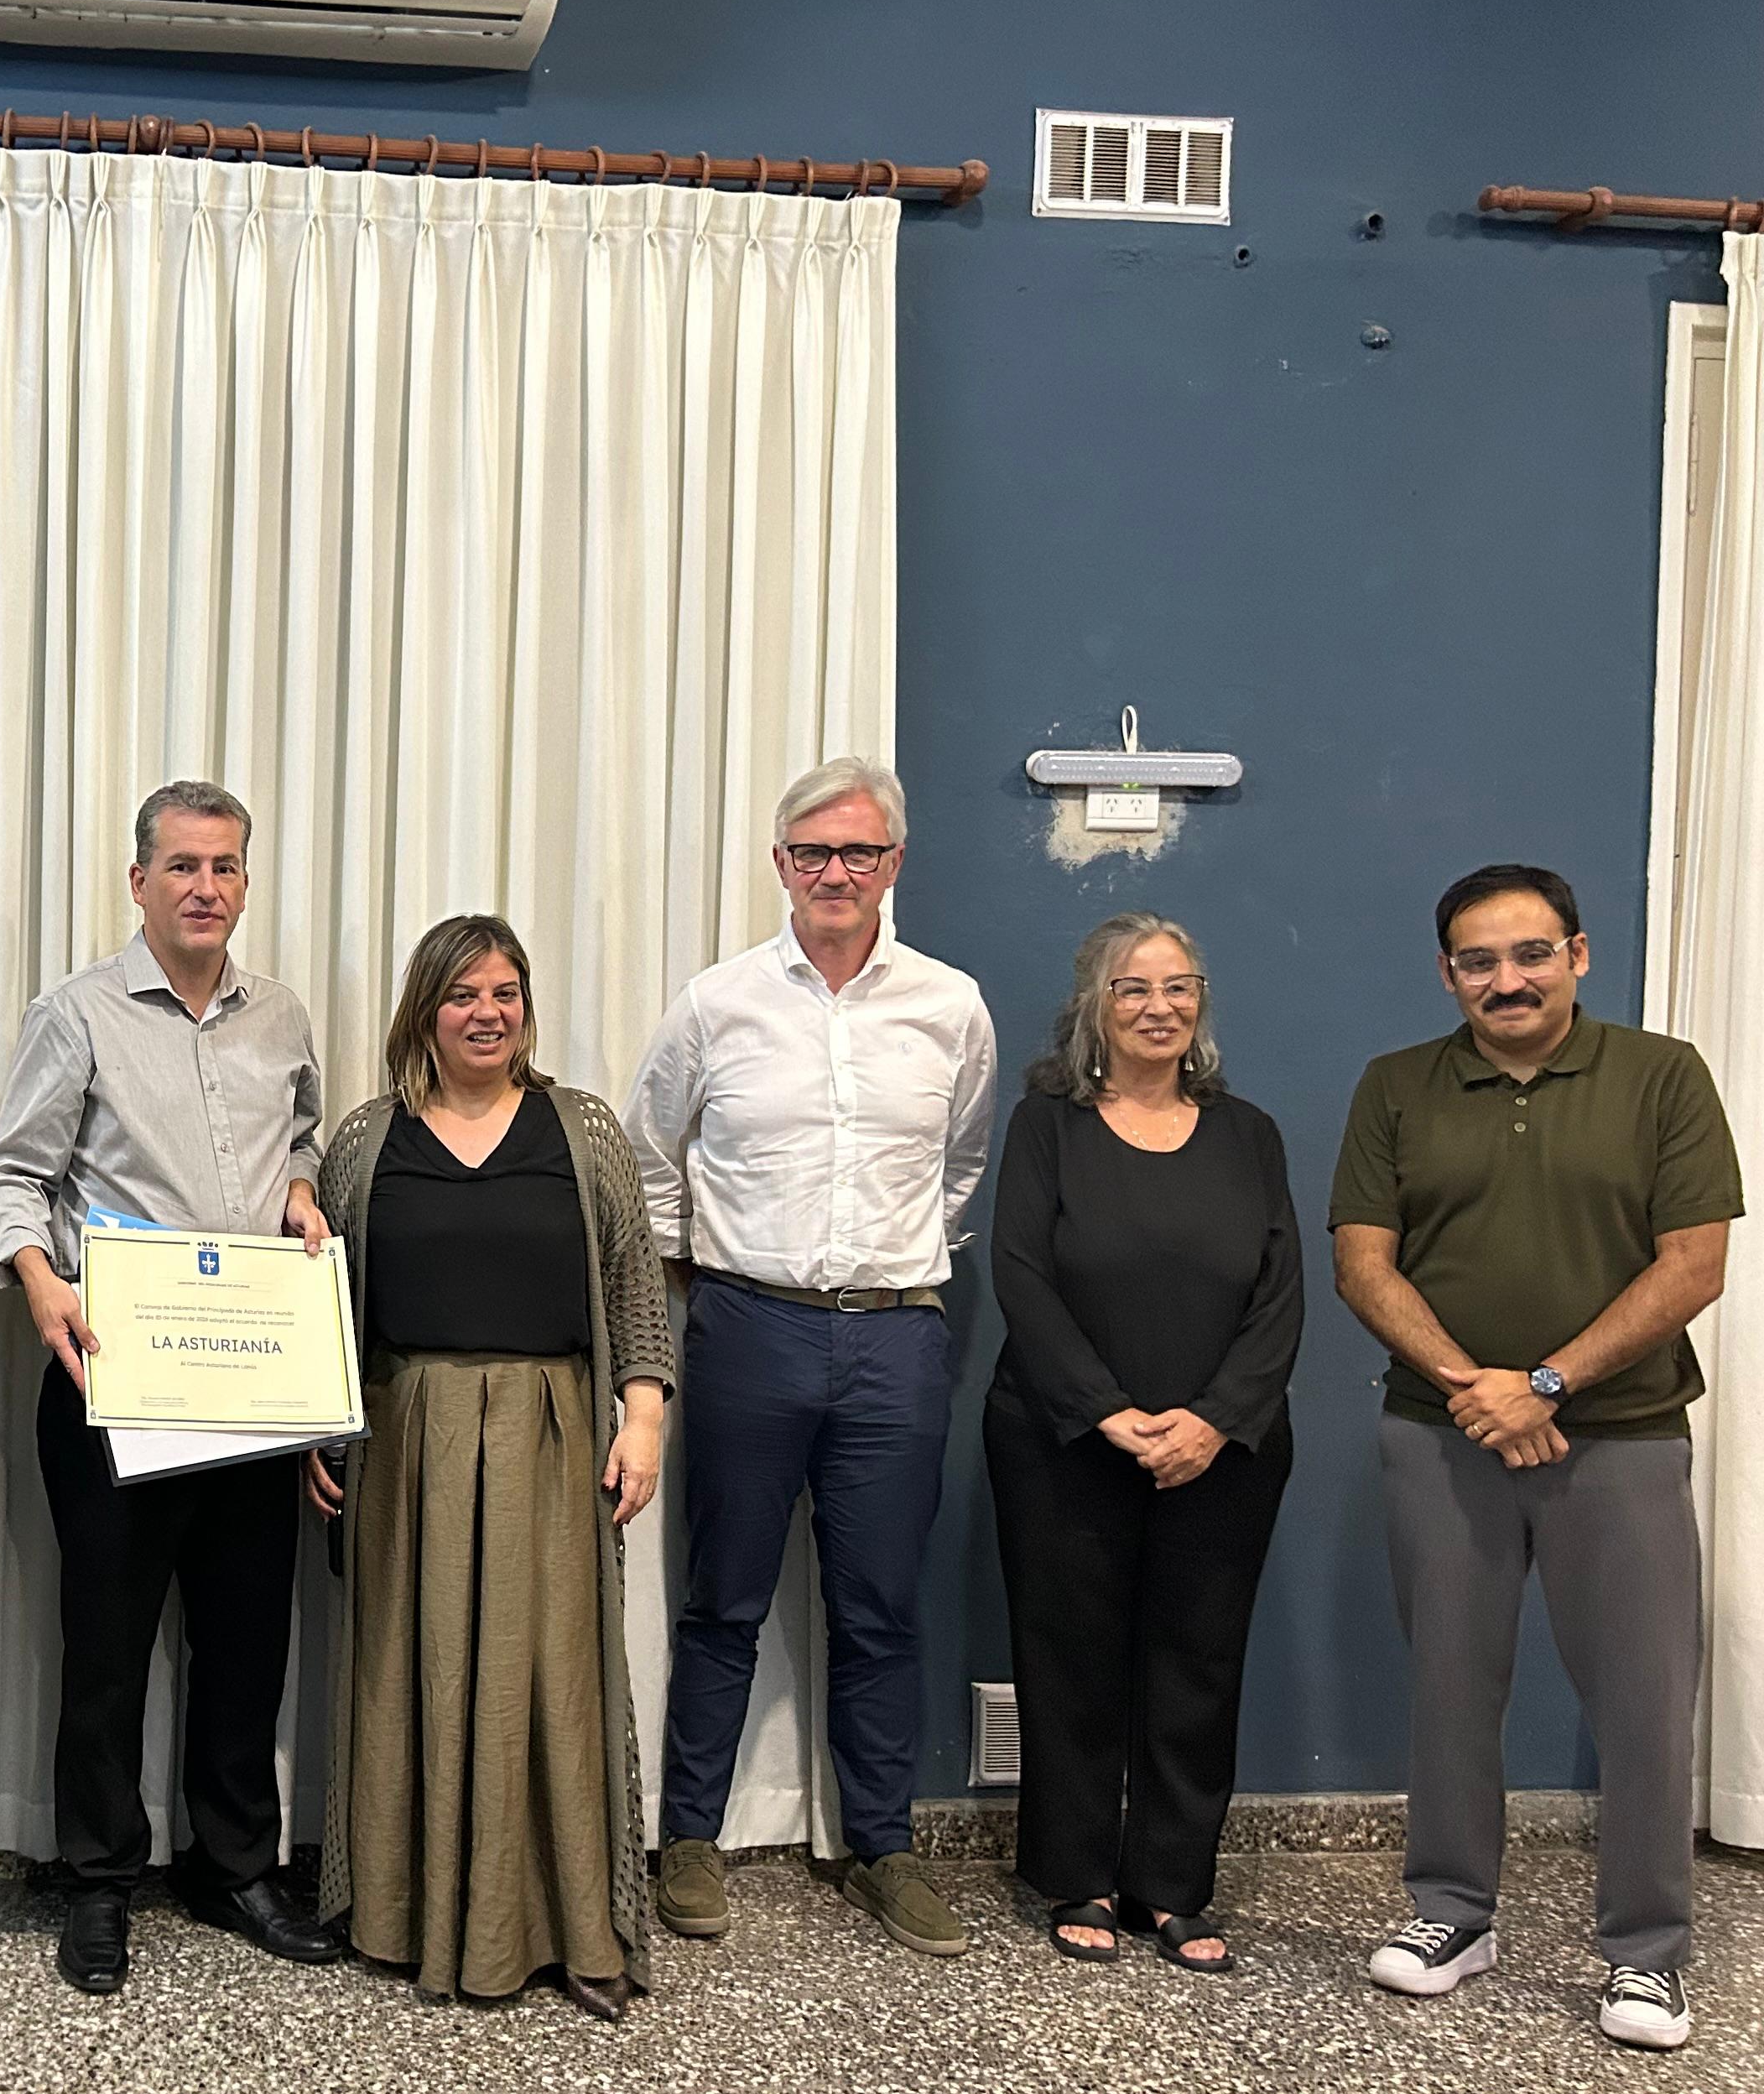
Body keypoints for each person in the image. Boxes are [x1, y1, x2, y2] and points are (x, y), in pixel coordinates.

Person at [1332, 862, 1738, 2051]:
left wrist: (1547, 1384)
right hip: (1443, 1432)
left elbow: (1693, 1265)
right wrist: (1480, 1390)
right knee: (1453, 1682)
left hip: (1621, 1436)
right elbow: (1363, 1262)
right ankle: (1453, 1914)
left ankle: (1646, 1955)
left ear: (1578, 955)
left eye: (1529, 954)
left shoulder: (1662, 1075)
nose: (1505, 980)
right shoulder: (1397, 1085)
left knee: (1645, 1698)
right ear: (1447, 973)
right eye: (1478, 961)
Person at [0, 779, 342, 1996]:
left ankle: (232, 1867)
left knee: (246, 1638)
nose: (205, 887)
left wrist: (300, 1187)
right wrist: (38, 1282)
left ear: (245, 881)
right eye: (182, 866)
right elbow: (12, 1176)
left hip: (252, 1378)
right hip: (116, 1373)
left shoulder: (280, 1016)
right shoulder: (77, 1013)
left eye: (224, 866)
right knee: (108, 1646)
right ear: (139, 881)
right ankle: (98, 1879)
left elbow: (301, 1138)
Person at [624, 757, 996, 1957]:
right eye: (814, 852)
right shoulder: (716, 1004)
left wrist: (886, 1267)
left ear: (895, 863)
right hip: (749, 1328)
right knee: (723, 1597)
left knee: (880, 1607)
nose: (836, 872)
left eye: (860, 852)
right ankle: (691, 1837)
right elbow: (649, 1158)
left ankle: (883, 1847)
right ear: (781, 864)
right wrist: (714, 1277)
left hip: (896, 1338)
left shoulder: (951, 1008)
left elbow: (959, 1168)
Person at [307, 915, 675, 2020]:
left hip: (549, 1435)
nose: (487, 1013)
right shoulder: (366, 1141)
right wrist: (317, 1428)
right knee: (407, 1673)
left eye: (505, 992)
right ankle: (403, 1917)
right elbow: (326, 1306)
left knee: (551, 1679)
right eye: (463, 994)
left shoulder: (584, 1131)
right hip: (404, 1438)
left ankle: (572, 1929)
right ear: (424, 1011)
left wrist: (644, 1416)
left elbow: (634, 1283)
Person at [985, 914, 1301, 1973]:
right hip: (1065, 1441)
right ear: (1095, 1005)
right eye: (1133, 988)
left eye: (1179, 986)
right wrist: (1106, 1411)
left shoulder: (1249, 1134)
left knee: (1198, 1662)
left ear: (1200, 1002)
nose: (1159, 1006)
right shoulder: (1048, 1126)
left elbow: (1280, 1295)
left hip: (1226, 1449)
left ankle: (1173, 1884)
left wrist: (1213, 1421)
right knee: (1069, 1659)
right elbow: (1020, 1273)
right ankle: (1076, 1873)